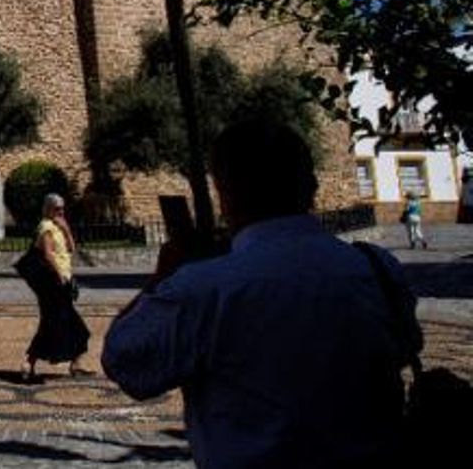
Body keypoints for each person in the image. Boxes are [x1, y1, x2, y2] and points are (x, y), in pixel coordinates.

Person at [103, 118, 421, 469]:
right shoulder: (377, 267)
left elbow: (125, 360)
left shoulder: (204, 288)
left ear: (226, 194)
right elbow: (406, 347)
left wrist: (162, 277)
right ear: (311, 185)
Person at [18, 193, 91, 381]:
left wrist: (66, 230)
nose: (61, 212)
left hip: (63, 279)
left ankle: (76, 365)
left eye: (63, 208)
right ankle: (28, 362)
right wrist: (59, 276)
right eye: (57, 209)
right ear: (49, 209)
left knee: (69, 324)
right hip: (52, 282)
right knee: (54, 322)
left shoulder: (59, 227)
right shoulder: (45, 227)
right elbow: (48, 254)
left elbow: (72, 249)